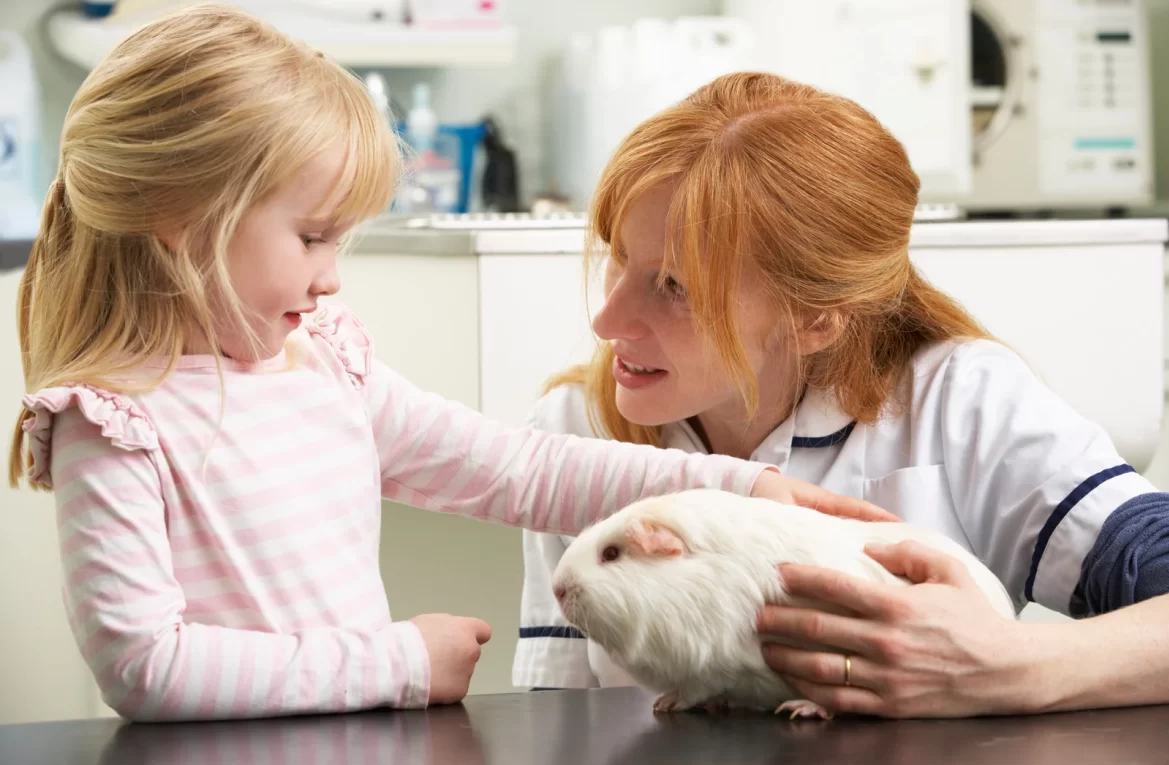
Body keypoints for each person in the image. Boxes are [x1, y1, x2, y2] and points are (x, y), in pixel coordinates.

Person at [5, 6, 890, 723]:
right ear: (178, 216)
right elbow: (146, 667)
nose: (332, 275)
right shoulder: (113, 424)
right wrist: (396, 661)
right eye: (312, 236)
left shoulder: (325, 368)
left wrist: (734, 492)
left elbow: (518, 470)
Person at [514, 71, 1169, 717]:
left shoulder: (959, 399)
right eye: (619, 259)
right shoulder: (578, 425)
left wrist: (1013, 666)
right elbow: (563, 719)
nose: (606, 324)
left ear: (817, 318)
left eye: (676, 287)